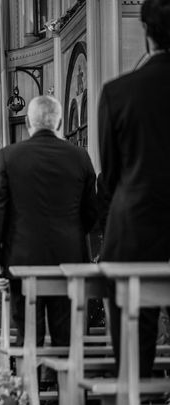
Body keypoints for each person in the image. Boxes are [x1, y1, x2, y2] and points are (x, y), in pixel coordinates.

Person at [0, 95, 97, 347]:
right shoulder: (80, 157)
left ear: (27, 122)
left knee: (28, 337)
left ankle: (30, 385)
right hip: (69, 260)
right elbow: (92, 212)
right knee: (67, 336)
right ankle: (68, 385)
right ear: (58, 124)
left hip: (22, 259)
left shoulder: (7, 157)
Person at [99, 0, 170, 381]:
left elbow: (109, 178)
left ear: (146, 31)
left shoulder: (119, 92)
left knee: (133, 346)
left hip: (135, 233)